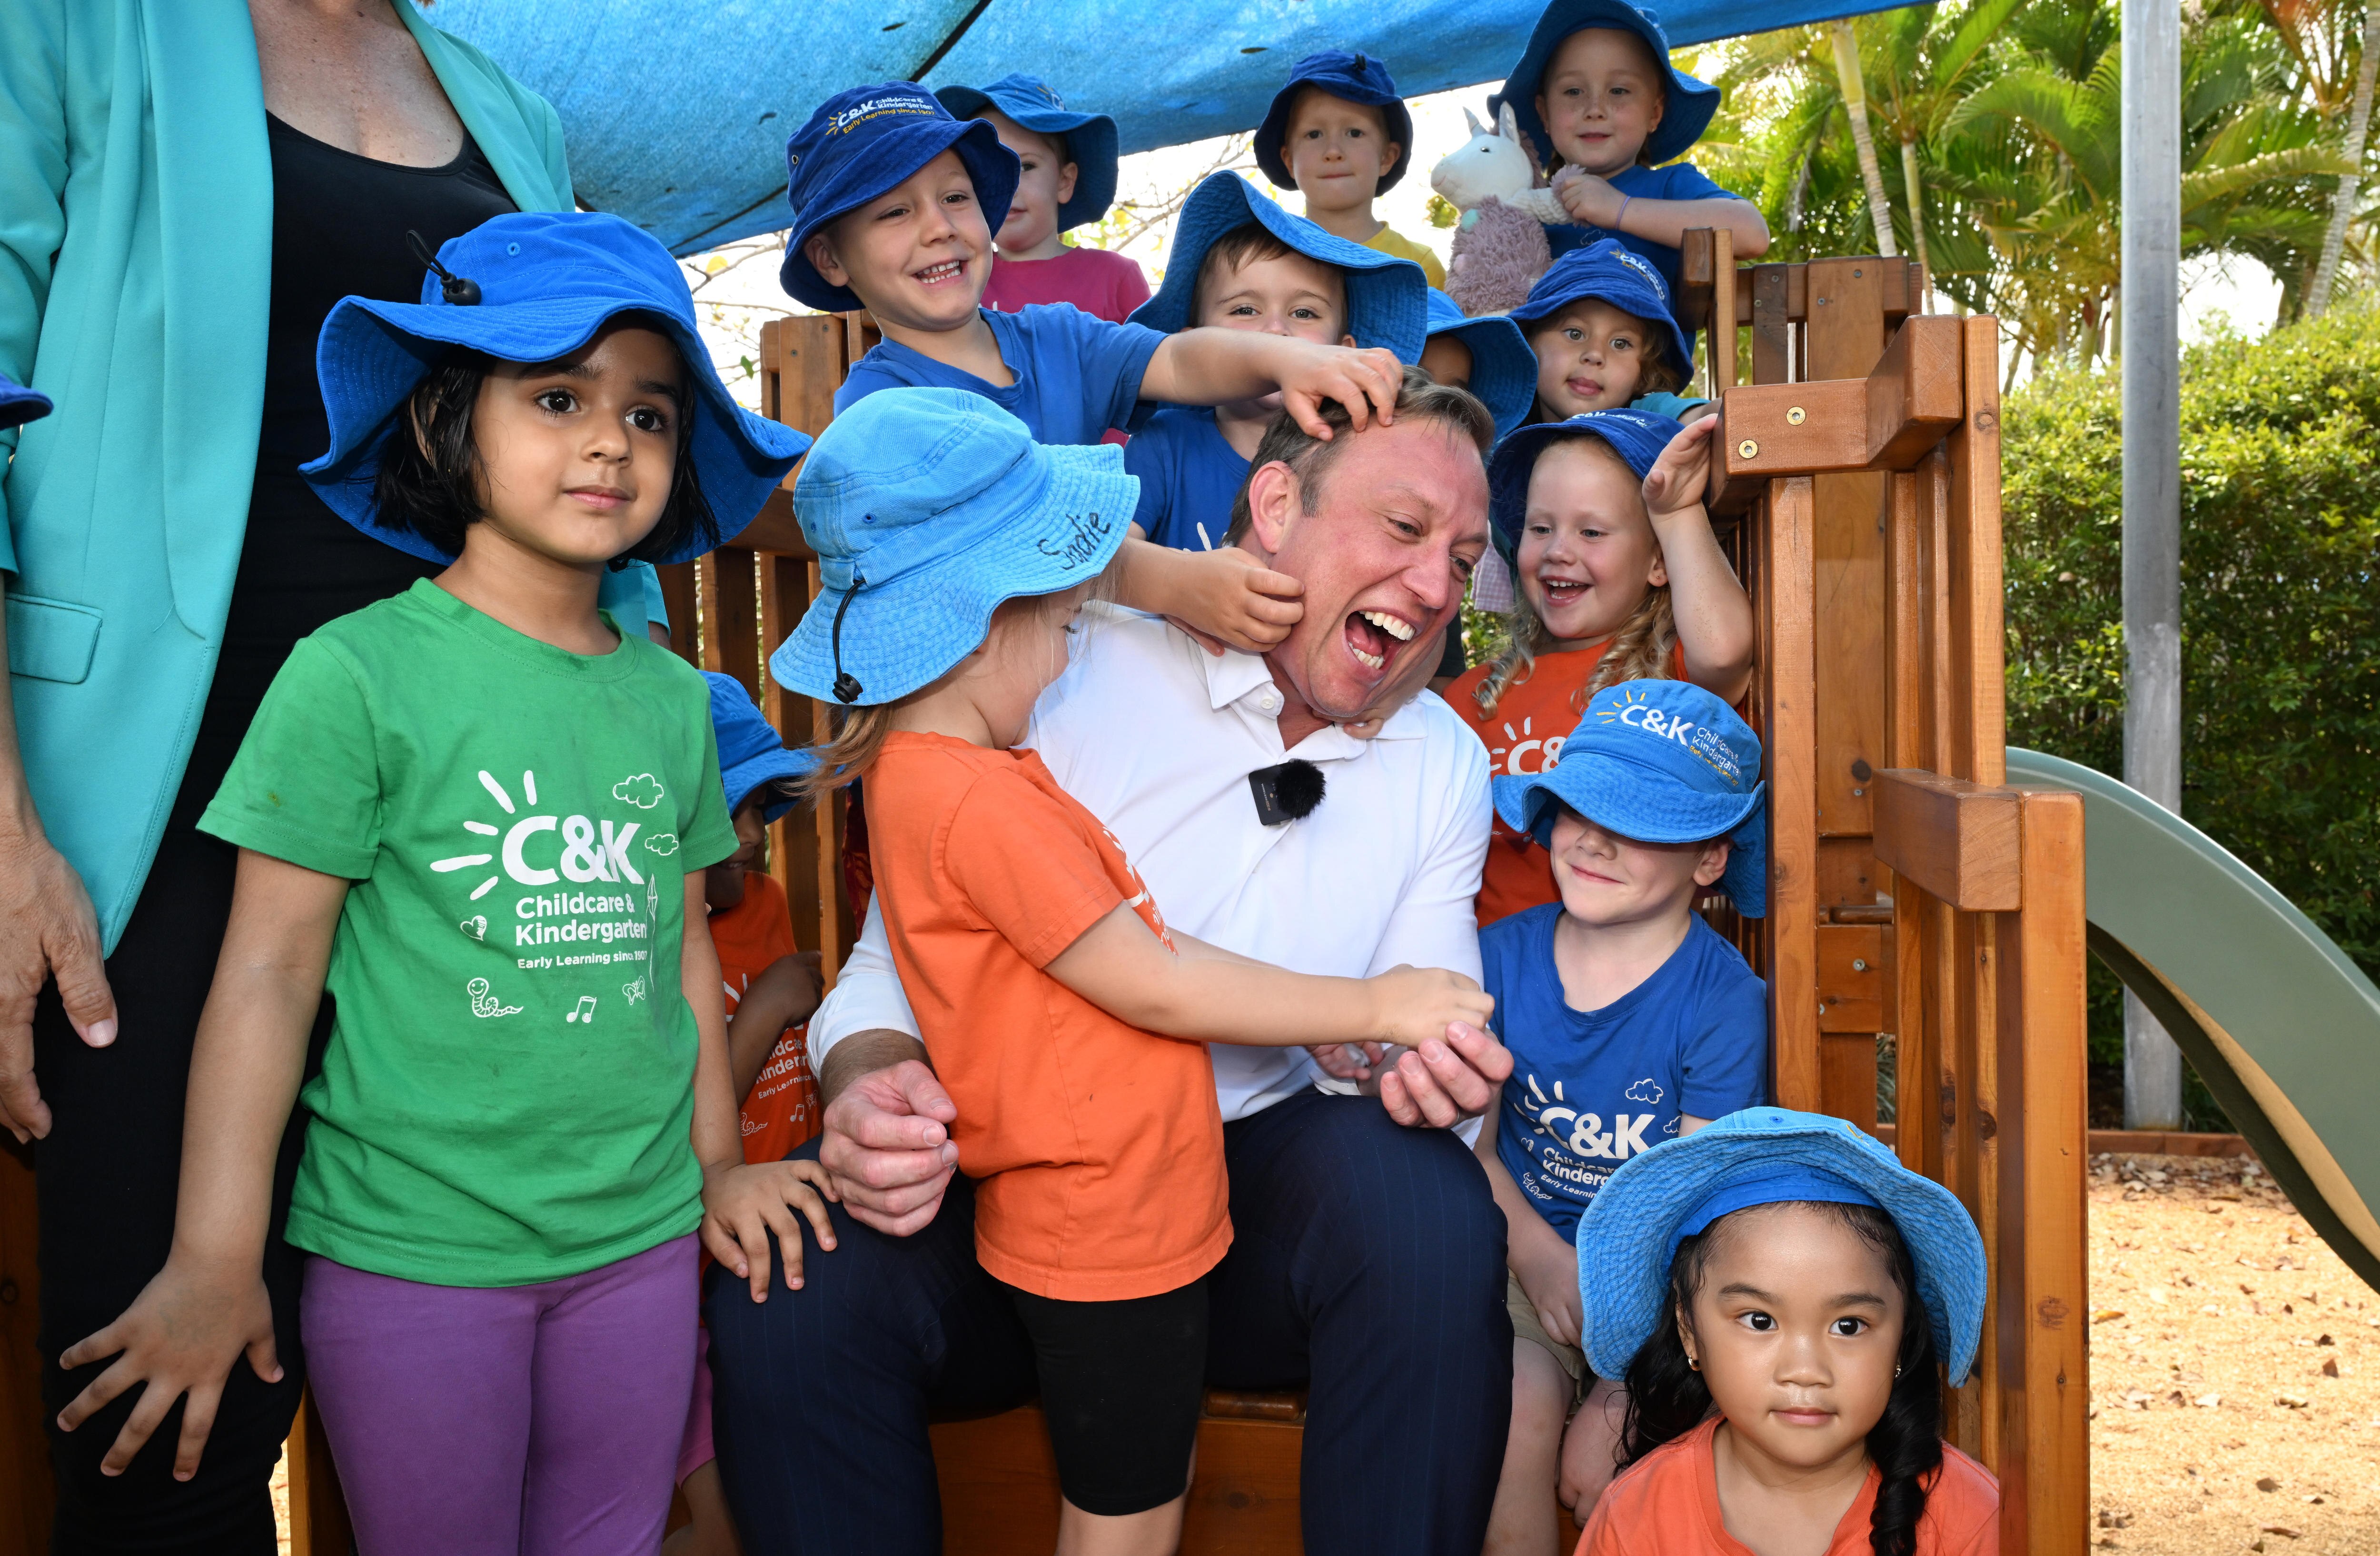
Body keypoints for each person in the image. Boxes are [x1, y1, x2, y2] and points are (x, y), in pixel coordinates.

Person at [50, 211, 829, 1554]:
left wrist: (715, 1168)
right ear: (445, 426)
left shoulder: (671, 699)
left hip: (639, 1248)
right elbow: (268, 972)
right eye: (556, 396)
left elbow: (686, 957)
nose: (608, 439)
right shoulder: (351, 676)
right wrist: (216, 1253)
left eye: (650, 416)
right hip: (415, 1257)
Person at [0, 2, 658, 1540]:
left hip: (465, 806)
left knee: (452, 1355)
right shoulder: (69, 31)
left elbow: (575, 447)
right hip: (147, 801)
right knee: (167, 1408)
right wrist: (6, 825)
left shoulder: (508, 108)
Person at [702, 368, 1519, 1556]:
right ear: (1277, 504)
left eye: (1464, 551)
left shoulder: (1444, 757)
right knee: (791, 1285)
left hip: (1239, 1214)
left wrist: (1407, 1063)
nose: (1438, 580)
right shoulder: (1056, 663)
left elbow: (1409, 1038)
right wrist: (866, 1079)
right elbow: (898, 965)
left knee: (1427, 1206)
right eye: (1404, 527)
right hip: (1009, 1176)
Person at [782, 82, 1405, 658]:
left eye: (955, 197)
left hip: (1078, 670)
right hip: (969, 696)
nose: (939, 228)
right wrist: (1166, 581)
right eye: (894, 213)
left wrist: (1284, 357)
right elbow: (996, 532)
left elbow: (1179, 361)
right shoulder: (879, 405)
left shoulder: (1058, 336)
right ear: (831, 259)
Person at [1472, 682, 1770, 1552]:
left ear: (1709, 859)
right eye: (1578, 808)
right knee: (1514, 1417)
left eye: (1638, 822)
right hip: (1522, 1252)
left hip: (1664, 1293)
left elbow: (1692, 1207)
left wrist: (1627, 1382)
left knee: (1612, 1471)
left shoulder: (1724, 1001)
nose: (1594, 839)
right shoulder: (1498, 957)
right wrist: (1536, 1254)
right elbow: (1477, 1150)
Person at [1575, 1108, 2001, 1556]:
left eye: (1848, 1326)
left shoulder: (1969, 1518)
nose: (1804, 1370)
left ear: (1902, 1336)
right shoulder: (1636, 1518)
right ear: (1688, 1330)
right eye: (1760, 1321)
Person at [1448, 409, 1753, 926]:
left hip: (1628, 985)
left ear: (1659, 562)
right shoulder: (1471, 697)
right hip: (1488, 984)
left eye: (1591, 531)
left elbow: (1724, 651)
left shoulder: (1669, 684)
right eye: (1539, 527)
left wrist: (1675, 513)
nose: (1558, 551)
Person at [672, 672, 830, 1556]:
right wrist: (768, 1007)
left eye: (762, 806)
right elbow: (688, 1122)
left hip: (778, 1231)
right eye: (726, 805)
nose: (749, 835)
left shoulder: (762, 905)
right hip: (695, 1256)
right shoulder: (655, 932)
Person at [1123, 171, 1429, 555]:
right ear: (1193, 345)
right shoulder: (1165, 444)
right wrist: (1186, 586)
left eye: (1304, 313)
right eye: (1245, 309)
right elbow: (1104, 562)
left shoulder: (1360, 459)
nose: (1276, 332)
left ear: (1345, 350)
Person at [1486, 0, 1769, 299]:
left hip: (1649, 347)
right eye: (1573, 91)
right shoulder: (1526, 207)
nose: (1595, 110)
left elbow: (1752, 234)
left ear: (1654, 113)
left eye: (1618, 91)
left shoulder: (1671, 187)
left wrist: (1620, 209)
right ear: (1545, 114)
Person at [932, 74, 1150, 323]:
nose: (1007, 186)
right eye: (985, 171)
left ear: (1065, 182)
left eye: (1025, 167)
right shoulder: (955, 278)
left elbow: (1163, 360)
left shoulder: (1115, 277)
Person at [1253, 50, 1447, 287]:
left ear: (1387, 157)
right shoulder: (1262, 260)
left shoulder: (1418, 267)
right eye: (1314, 134)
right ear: (1288, 160)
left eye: (1354, 133)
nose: (1333, 151)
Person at [1513, 241, 1709, 424]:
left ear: (1644, 376)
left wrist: (1724, 413)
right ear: (1528, 345)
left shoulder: (1648, 415)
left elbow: (1708, 418)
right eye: (1575, 334)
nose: (1595, 355)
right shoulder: (1497, 422)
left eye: (1620, 344)